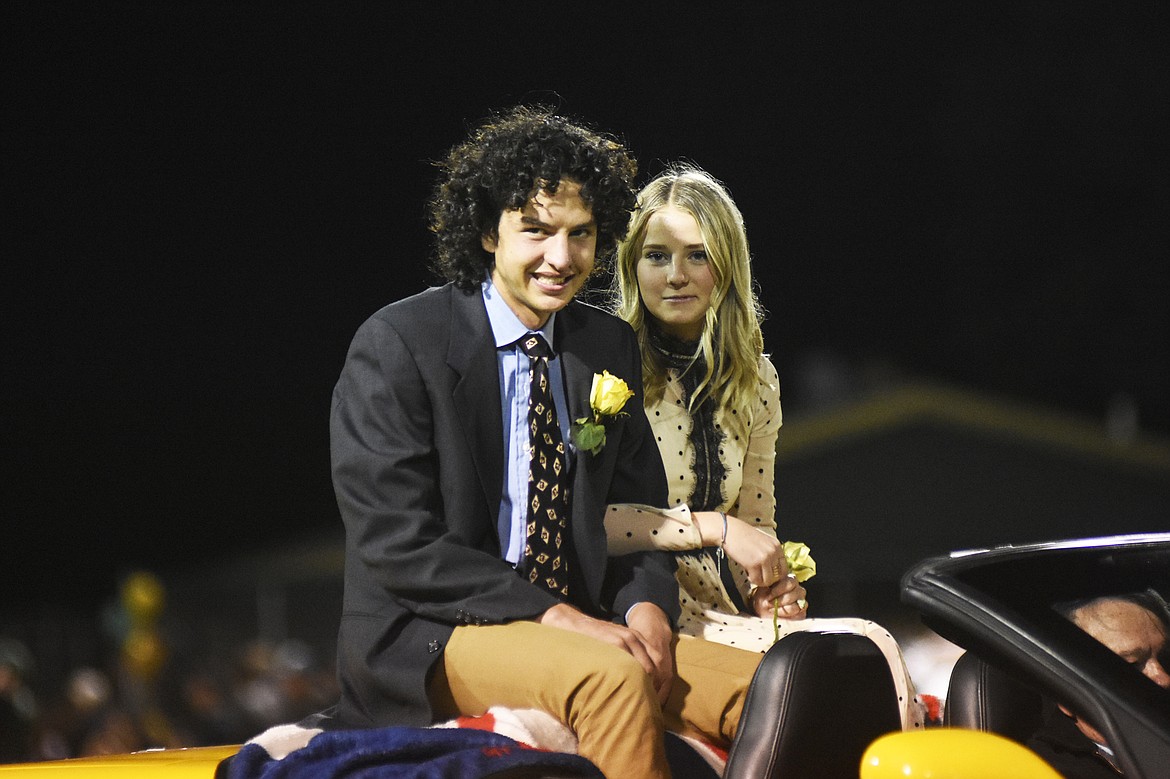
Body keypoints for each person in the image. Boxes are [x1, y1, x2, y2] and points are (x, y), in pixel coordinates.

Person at [322, 107, 767, 778]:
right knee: (611, 676)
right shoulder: (398, 344)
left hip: (585, 626)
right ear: (485, 233)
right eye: (536, 230)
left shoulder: (606, 345)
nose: (562, 258)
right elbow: (398, 544)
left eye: (580, 234)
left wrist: (647, 608)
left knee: (779, 688)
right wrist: (560, 617)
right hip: (433, 635)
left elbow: (635, 517)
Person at [605, 164, 923, 729]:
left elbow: (756, 520)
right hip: (637, 604)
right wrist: (718, 529)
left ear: (726, 266)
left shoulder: (756, 379)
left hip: (723, 605)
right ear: (633, 265)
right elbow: (587, 523)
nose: (676, 275)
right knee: (826, 686)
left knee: (871, 651)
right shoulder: (602, 370)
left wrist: (773, 592)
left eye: (697, 255)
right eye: (657, 256)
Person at [1027, 590, 1170, 778]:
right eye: (1130, 666)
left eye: (1167, 657)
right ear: (1065, 692)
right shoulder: (1045, 771)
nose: (1164, 678)